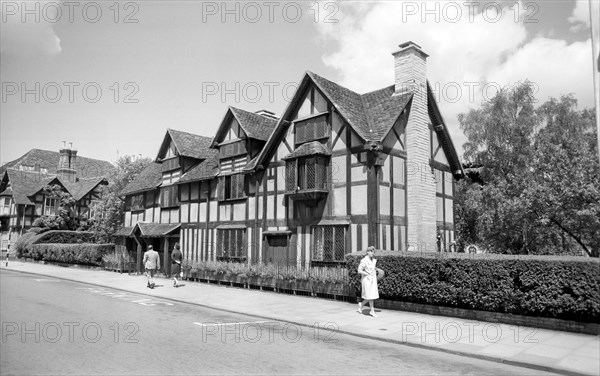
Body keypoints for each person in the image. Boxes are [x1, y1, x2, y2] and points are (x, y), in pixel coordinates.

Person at [357, 246, 380, 317]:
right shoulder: (364, 260)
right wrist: (366, 274)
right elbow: (359, 270)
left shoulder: (373, 260)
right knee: (370, 296)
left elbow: (371, 268)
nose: (372, 253)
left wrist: (376, 269)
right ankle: (372, 311)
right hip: (366, 280)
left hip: (373, 280)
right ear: (367, 252)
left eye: (373, 252)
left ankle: (361, 304)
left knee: (371, 296)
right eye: (371, 251)